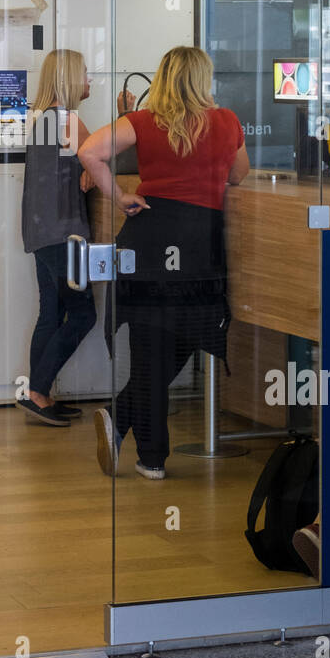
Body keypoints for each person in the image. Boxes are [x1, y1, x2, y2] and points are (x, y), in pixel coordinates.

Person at [79, 45, 249, 478]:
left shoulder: (141, 122)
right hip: (199, 245)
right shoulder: (227, 121)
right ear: (202, 79)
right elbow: (239, 175)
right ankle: (137, 442)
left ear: (164, 78)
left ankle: (147, 451)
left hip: (149, 237)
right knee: (188, 334)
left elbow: (90, 153)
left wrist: (118, 198)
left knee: (150, 345)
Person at [18, 49, 97, 427]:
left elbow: (84, 164)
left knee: (51, 312)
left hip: (41, 231)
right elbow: (101, 158)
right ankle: (37, 391)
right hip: (64, 232)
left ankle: (41, 396)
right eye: (85, 74)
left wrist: (86, 169)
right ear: (69, 78)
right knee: (83, 314)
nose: (90, 80)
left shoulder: (43, 117)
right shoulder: (67, 119)